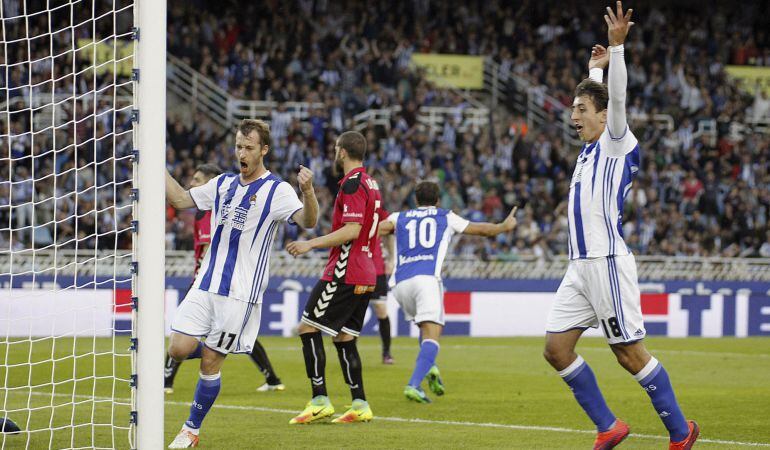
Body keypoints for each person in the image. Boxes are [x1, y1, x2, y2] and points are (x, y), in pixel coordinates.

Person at [542, 3, 699, 449]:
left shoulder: (615, 141)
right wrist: (595, 66)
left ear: (600, 114)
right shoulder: (590, 149)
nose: (573, 115)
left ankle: (680, 432)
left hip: (607, 262)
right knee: (556, 350)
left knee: (629, 355)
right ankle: (609, 426)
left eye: (580, 109)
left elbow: (617, 99)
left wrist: (617, 48)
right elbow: (598, 93)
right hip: (579, 267)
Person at [164, 119, 318, 448]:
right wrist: (151, 162)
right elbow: (179, 199)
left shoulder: (277, 190)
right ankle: (225, 346)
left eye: (248, 147)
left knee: (209, 363)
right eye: (238, 146)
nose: (241, 153)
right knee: (177, 349)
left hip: (240, 294)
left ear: (263, 150)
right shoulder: (222, 184)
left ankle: (190, 429)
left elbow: (308, 221)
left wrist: (308, 192)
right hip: (205, 284)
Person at [378, 181, 517, 403]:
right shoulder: (445, 216)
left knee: (424, 327)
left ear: (415, 200)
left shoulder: (398, 217)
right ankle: (414, 385)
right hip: (426, 280)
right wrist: (503, 226)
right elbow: (481, 229)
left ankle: (431, 368)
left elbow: (374, 230)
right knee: (433, 334)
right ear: (437, 200)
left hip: (400, 284)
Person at [163, 164, 286, 395]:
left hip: (222, 283)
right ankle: (168, 379)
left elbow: (217, 249)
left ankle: (167, 380)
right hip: (205, 280)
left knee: (227, 338)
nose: (193, 184)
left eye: (198, 180)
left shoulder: (213, 213)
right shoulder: (201, 213)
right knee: (185, 341)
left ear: (210, 183)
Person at [285, 131, 381, 424]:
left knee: (307, 329)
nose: (333, 152)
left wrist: (310, 243)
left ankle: (319, 400)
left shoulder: (352, 184)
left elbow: (352, 230)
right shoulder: (371, 183)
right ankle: (360, 403)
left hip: (345, 271)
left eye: (335, 147)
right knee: (344, 337)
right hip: (367, 271)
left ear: (342, 152)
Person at [370, 201, 395, 364]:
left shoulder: (379, 212)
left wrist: (392, 258)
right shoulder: (349, 208)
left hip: (376, 268)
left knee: (381, 309)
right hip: (355, 267)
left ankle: (386, 352)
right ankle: (348, 350)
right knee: (351, 311)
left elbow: (389, 233)